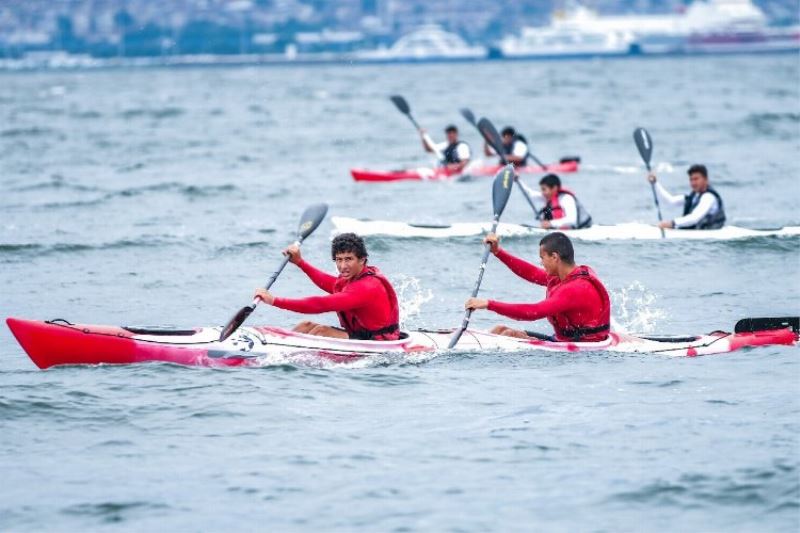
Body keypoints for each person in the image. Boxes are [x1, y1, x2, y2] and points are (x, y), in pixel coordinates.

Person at [464, 232, 610, 342]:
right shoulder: (564, 276)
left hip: (583, 346)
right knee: (499, 330)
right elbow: (531, 273)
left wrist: (489, 304)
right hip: (563, 341)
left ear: (554, 257)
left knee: (508, 335)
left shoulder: (575, 289)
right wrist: (498, 252)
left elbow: (533, 312)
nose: (541, 263)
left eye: (542, 258)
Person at [254, 233, 400, 340]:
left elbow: (319, 304)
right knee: (305, 325)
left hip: (378, 341)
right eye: (339, 260)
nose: (343, 266)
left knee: (321, 331)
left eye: (349, 259)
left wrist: (274, 300)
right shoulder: (352, 278)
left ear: (362, 260)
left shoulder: (366, 287)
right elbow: (328, 283)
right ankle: (278, 347)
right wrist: (300, 262)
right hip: (360, 334)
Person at [648, 164, 726, 229]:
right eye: (691, 180)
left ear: (706, 180)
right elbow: (671, 201)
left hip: (709, 235)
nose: (693, 183)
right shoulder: (694, 196)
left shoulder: (709, 197)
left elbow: (695, 218)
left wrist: (672, 223)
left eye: (696, 179)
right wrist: (655, 184)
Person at [520, 173, 592, 229]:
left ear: (554, 188)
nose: (542, 192)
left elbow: (572, 220)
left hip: (581, 228)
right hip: (561, 230)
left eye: (544, 189)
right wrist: (517, 179)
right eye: (541, 189)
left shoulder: (566, 198)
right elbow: (529, 194)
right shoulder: (548, 196)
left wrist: (551, 223)